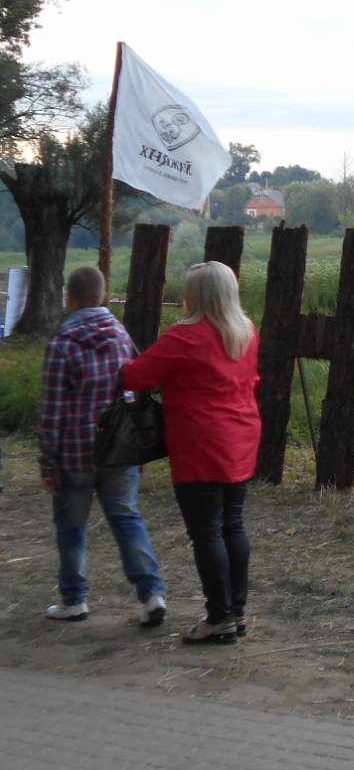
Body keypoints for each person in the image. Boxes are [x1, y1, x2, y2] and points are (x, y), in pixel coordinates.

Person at [121, 261, 260, 645]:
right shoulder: (245, 331)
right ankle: (236, 611)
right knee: (232, 525)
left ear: (195, 295)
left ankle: (219, 617)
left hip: (200, 440)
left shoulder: (184, 336)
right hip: (241, 434)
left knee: (206, 532)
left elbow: (135, 376)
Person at [39, 266, 167, 626]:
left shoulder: (61, 344)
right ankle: (152, 594)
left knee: (71, 526)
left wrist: (48, 463)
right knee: (127, 518)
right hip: (119, 448)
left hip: (75, 452)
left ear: (69, 298)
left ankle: (74, 600)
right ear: (105, 296)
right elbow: (135, 389)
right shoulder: (121, 336)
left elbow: (51, 412)